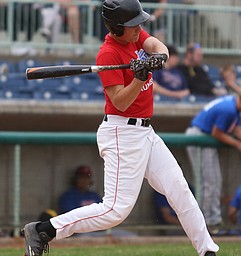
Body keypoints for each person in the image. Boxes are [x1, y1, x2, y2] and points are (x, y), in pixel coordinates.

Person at [21, 1, 219, 256]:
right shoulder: (108, 54)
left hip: (146, 132)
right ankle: (44, 230)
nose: (139, 28)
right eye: (132, 25)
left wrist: (159, 58)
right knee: (115, 210)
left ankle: (207, 251)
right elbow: (120, 102)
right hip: (121, 133)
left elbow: (158, 47)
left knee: (179, 189)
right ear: (116, 28)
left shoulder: (135, 37)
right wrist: (139, 78)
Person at [185, 88, 241, 234]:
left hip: (204, 136)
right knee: (208, 182)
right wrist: (240, 145)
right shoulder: (229, 109)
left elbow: (236, 128)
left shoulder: (233, 104)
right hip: (199, 136)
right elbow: (217, 133)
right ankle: (204, 222)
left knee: (215, 181)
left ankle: (214, 220)